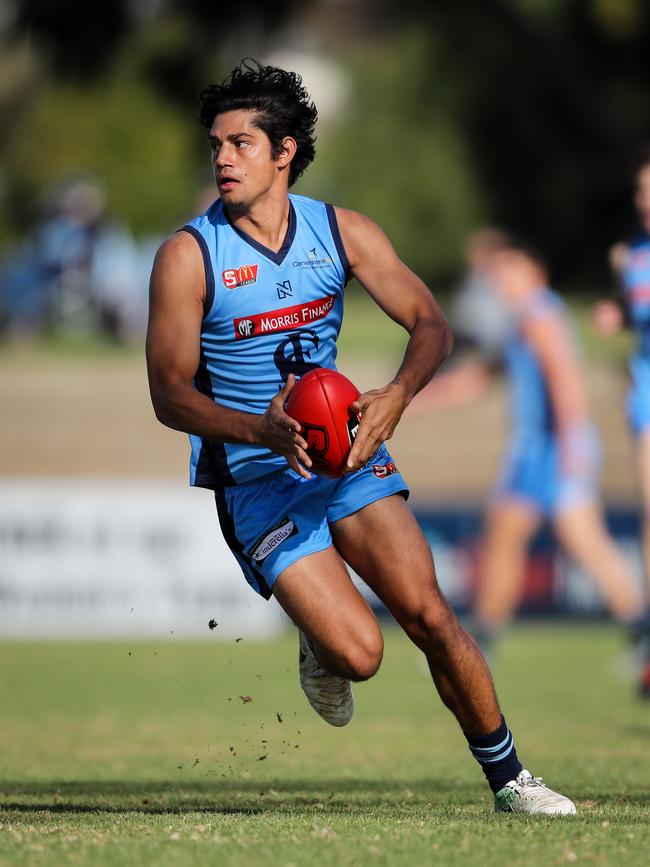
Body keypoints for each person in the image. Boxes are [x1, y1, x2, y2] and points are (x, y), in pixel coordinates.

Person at [146, 59, 575, 814]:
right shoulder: (189, 255)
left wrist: (397, 396)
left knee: (430, 613)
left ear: (284, 153)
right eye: (215, 143)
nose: (221, 158)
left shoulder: (341, 232)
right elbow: (168, 394)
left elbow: (433, 326)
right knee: (361, 655)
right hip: (257, 480)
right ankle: (320, 639)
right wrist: (265, 430)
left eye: (240, 143)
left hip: (348, 460)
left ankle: (512, 781)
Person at [414, 236, 650, 684]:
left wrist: (573, 448)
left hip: (553, 448)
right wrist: (410, 399)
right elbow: (477, 380)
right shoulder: (522, 322)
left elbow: (565, 382)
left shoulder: (541, 314)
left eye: (510, 273)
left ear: (535, 275)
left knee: (584, 544)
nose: (501, 282)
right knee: (506, 537)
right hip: (537, 451)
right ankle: (484, 638)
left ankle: (641, 634)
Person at [592, 147, 650, 695]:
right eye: (640, 191)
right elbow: (631, 314)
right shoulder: (628, 256)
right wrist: (617, 314)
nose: (643, 200)